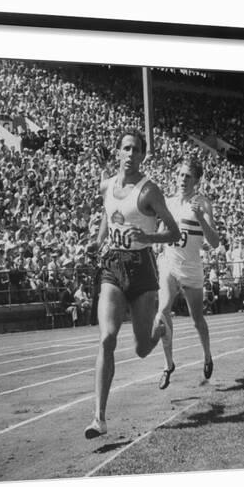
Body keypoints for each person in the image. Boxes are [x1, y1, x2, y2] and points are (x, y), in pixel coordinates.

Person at [84, 130, 180, 439]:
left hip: (142, 268)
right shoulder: (107, 185)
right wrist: (97, 242)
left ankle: (159, 329)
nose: (130, 154)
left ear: (143, 155)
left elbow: (174, 232)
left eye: (136, 150)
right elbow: (107, 215)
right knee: (106, 338)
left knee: (141, 349)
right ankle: (99, 417)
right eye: (125, 148)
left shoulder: (149, 191)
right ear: (117, 151)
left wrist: (149, 237)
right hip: (113, 266)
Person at [156, 157, 219, 390]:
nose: (183, 179)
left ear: (196, 180)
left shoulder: (203, 204)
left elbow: (214, 241)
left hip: (191, 268)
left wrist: (201, 218)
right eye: (181, 174)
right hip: (169, 264)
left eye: (188, 176)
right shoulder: (170, 202)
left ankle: (207, 355)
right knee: (162, 311)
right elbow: (162, 231)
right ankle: (168, 364)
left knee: (197, 320)